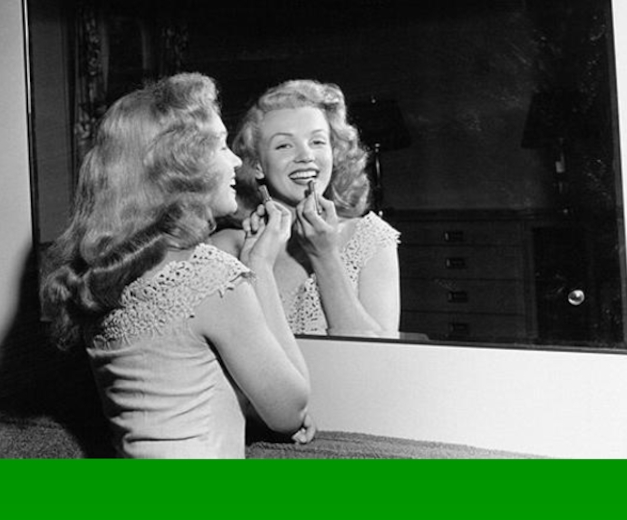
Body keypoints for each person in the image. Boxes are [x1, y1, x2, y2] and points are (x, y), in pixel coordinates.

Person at [40, 73, 310, 459]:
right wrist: (260, 267)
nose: (236, 161)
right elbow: (289, 412)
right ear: (181, 166)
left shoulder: (100, 276)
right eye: (221, 146)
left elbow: (182, 388)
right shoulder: (211, 279)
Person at [212, 79, 401, 338]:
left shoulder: (371, 238)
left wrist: (325, 256)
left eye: (317, 142)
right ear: (257, 165)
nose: (306, 156)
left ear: (334, 152)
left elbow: (378, 356)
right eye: (284, 145)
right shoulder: (225, 249)